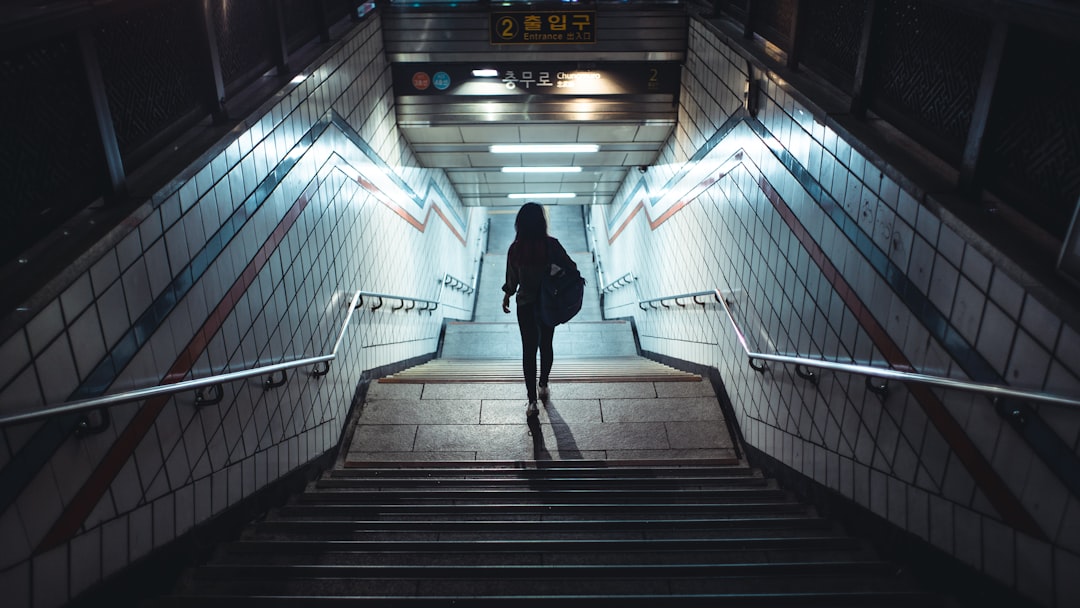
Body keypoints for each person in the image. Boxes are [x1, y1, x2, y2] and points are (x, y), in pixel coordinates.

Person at [501, 202, 577, 418]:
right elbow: (571, 268)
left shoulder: (516, 248)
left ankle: (532, 402)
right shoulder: (551, 245)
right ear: (542, 222)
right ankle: (543, 384)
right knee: (546, 344)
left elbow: (512, 278)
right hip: (548, 304)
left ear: (520, 224)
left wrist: (507, 294)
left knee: (528, 350)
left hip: (525, 305)